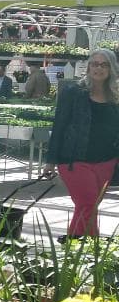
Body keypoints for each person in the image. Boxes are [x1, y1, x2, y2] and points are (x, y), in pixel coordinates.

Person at [44, 49, 119, 240]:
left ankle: (78, 251)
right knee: (88, 203)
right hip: (74, 160)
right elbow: (59, 125)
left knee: (89, 207)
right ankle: (83, 246)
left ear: (111, 68)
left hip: (106, 161)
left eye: (104, 64)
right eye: (95, 63)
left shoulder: (115, 97)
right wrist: (50, 161)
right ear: (88, 67)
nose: (99, 68)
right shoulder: (74, 92)